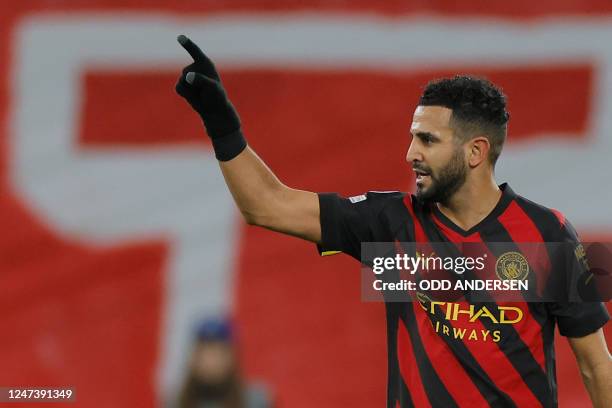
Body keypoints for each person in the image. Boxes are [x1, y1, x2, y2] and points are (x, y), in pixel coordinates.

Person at [174, 35, 611, 407]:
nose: (410, 154)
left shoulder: (553, 234)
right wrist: (221, 123)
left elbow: (596, 365)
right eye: (411, 137)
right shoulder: (390, 224)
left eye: (427, 140)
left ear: (476, 152)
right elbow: (267, 207)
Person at [177, 317, 272, 408]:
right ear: (193, 358)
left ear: (232, 358)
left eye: (218, 353)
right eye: (205, 353)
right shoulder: (176, 402)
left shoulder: (255, 401)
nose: (211, 362)